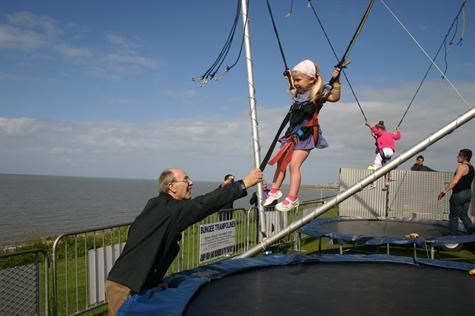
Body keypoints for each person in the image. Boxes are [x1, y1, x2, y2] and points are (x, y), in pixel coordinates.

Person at [105, 167, 262, 315]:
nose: (191, 183)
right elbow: (203, 205)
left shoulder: (159, 206)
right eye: (186, 179)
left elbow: (202, 202)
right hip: (125, 289)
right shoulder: (170, 210)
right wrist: (244, 184)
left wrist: (152, 282)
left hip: (135, 283)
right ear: (172, 187)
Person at [264, 59, 341, 212]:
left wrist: (336, 81)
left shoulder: (318, 93)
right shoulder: (299, 94)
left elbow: (335, 97)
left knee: (294, 164)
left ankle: (292, 198)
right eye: (295, 80)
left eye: (298, 80)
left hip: (306, 135)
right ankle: (274, 190)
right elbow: (293, 87)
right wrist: (289, 78)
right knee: (281, 162)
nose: (296, 83)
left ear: (311, 79)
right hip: (292, 134)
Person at [437, 149, 475, 234]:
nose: (457, 156)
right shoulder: (472, 167)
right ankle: (472, 230)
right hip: (468, 193)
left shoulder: (462, 166)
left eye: (460, 155)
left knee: (454, 216)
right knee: (463, 215)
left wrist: (444, 191)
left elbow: (455, 181)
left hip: (459, 194)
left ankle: (452, 236)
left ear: (465, 157)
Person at [365, 121, 401, 188]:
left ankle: (374, 183)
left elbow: (374, 130)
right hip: (390, 152)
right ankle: (387, 182)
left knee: (375, 166)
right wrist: (398, 130)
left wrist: (368, 125)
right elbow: (397, 137)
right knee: (385, 167)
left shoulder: (380, 133)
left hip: (383, 151)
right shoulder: (390, 134)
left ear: (380, 129)